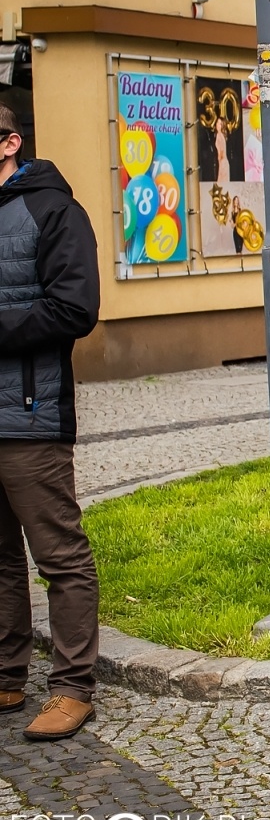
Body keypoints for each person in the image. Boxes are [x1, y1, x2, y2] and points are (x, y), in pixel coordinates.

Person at [0, 108, 103, 740]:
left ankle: (72, 687)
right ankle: (8, 673)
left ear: (9, 142)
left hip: (31, 415)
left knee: (58, 556)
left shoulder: (55, 211)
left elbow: (74, 308)